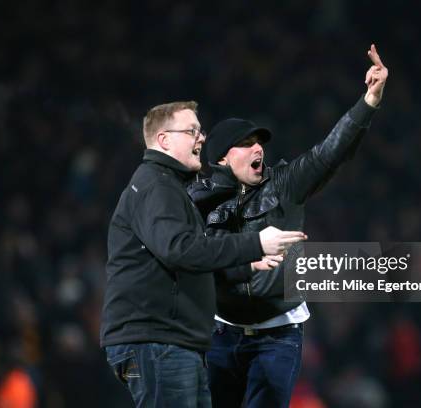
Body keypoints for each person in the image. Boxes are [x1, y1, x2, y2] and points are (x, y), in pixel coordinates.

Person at [188, 44, 389, 407]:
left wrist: (369, 100)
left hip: (277, 334)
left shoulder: (284, 184)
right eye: (245, 144)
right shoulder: (200, 199)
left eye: (259, 142)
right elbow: (193, 257)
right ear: (220, 157)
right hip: (222, 332)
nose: (257, 149)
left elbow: (330, 152)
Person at [100, 100, 307, 408]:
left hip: (173, 341)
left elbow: (192, 261)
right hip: (158, 341)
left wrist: (246, 264)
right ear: (164, 140)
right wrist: (255, 243)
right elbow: (181, 250)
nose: (201, 138)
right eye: (192, 131)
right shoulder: (156, 186)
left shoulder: (168, 186)